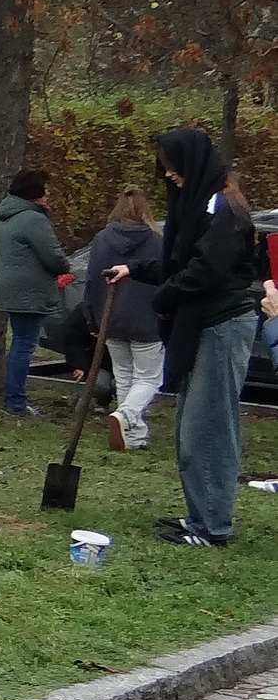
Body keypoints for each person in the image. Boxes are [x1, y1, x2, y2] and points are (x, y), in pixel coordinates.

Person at [107, 129, 262, 548]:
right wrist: (135, 271)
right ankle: (201, 514)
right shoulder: (199, 206)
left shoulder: (223, 208)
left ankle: (213, 526)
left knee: (209, 425)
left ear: (193, 164)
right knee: (192, 425)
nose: (169, 175)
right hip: (204, 323)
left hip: (223, 323)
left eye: (173, 166)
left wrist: (163, 295)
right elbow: (179, 260)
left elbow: (205, 270)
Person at [86, 186, 165, 451]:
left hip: (112, 316)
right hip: (146, 318)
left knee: (125, 376)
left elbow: (91, 281)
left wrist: (93, 317)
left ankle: (133, 435)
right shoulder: (157, 240)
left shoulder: (102, 239)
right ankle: (127, 415)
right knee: (149, 378)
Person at [0, 169, 74, 418]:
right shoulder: (33, 219)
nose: (49, 195)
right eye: (46, 190)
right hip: (29, 290)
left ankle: (14, 398)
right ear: (35, 193)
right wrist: (65, 265)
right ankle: (16, 401)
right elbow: (53, 258)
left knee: (20, 341)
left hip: (12, 287)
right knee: (24, 344)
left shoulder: (9, 216)